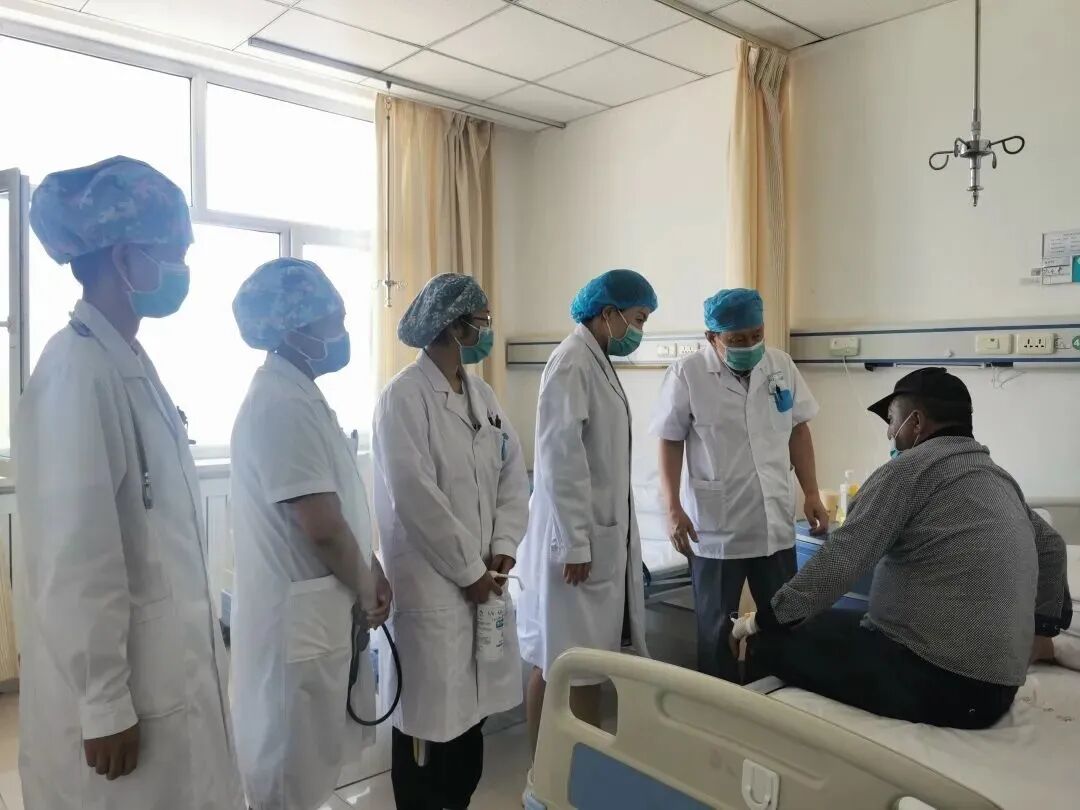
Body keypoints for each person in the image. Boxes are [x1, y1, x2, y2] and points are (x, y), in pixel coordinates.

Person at [15, 156, 244, 808]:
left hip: (167, 673)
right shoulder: (75, 371)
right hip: (123, 702)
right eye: (174, 253)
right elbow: (75, 556)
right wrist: (104, 702)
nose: (182, 270)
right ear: (123, 258)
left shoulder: (128, 363)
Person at [733, 368, 1070, 729]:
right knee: (823, 623)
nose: (889, 433)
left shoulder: (909, 471)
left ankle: (747, 740)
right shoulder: (998, 478)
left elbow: (840, 560)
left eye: (892, 420)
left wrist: (758, 621)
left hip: (936, 680)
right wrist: (1041, 631)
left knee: (768, 642)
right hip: (998, 691)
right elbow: (1052, 546)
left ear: (916, 422)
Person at [229, 258, 393, 810]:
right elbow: (320, 525)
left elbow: (338, 507)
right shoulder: (280, 403)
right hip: (293, 628)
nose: (342, 334)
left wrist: (370, 568)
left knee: (308, 771)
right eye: (334, 321)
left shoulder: (300, 396)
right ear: (294, 327)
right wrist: (366, 587)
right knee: (286, 778)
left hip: (314, 615)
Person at [372, 273, 530, 810]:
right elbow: (415, 498)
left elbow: (513, 475)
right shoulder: (403, 399)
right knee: (428, 739)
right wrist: (469, 571)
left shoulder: (482, 396)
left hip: (484, 583)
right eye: (481, 323)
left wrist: (505, 544)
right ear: (453, 327)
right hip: (434, 593)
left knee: (467, 740)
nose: (486, 332)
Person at [517, 269, 658, 759]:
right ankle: (558, 775)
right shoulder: (573, 362)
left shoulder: (595, 359)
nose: (639, 330)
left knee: (568, 662)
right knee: (569, 666)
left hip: (592, 539)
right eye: (638, 318)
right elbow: (561, 459)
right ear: (608, 313)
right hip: (575, 548)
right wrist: (576, 541)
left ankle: (559, 772)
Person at [651, 288, 826, 681]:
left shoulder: (780, 365)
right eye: (737, 339)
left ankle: (772, 698)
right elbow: (669, 440)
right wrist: (673, 508)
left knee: (783, 621)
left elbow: (798, 429)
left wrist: (812, 491)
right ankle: (717, 708)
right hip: (716, 528)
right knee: (716, 631)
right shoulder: (687, 374)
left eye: (756, 335)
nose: (749, 345)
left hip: (773, 523)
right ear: (712, 337)